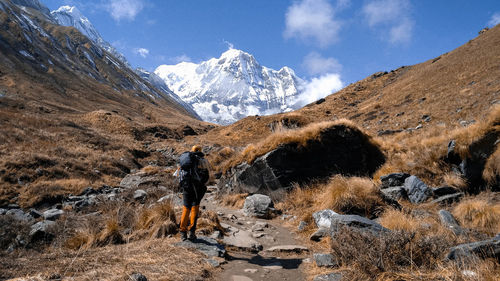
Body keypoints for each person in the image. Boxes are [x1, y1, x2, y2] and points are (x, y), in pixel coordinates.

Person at [176, 145, 210, 241]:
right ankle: (192, 232)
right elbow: (207, 177)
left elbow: (178, 174)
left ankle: (182, 232)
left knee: (186, 208)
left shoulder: (186, 160)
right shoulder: (203, 161)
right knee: (195, 209)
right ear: (200, 151)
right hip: (197, 188)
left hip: (186, 187)